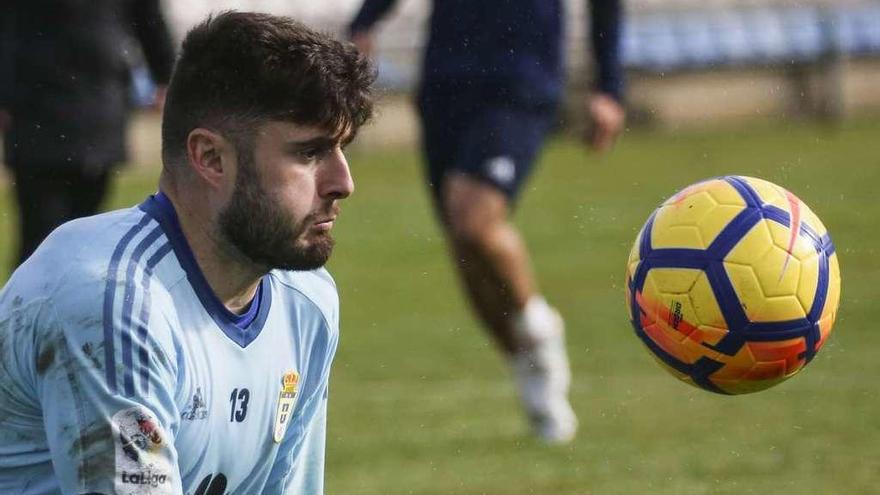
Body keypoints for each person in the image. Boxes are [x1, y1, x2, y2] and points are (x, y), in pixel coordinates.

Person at [0, 11, 375, 494]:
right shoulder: (114, 302)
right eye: (309, 153)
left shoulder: (307, 301)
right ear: (210, 158)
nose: (343, 182)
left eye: (343, 149)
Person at [349, 0, 626, 443]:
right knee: (462, 245)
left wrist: (609, 84)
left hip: (520, 79)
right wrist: (364, 23)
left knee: (473, 219)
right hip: (445, 81)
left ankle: (539, 326)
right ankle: (524, 362)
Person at [0, 0, 174, 266]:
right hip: (42, 107)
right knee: (44, 239)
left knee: (82, 234)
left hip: (89, 106)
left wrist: (166, 76)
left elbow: (148, 17)